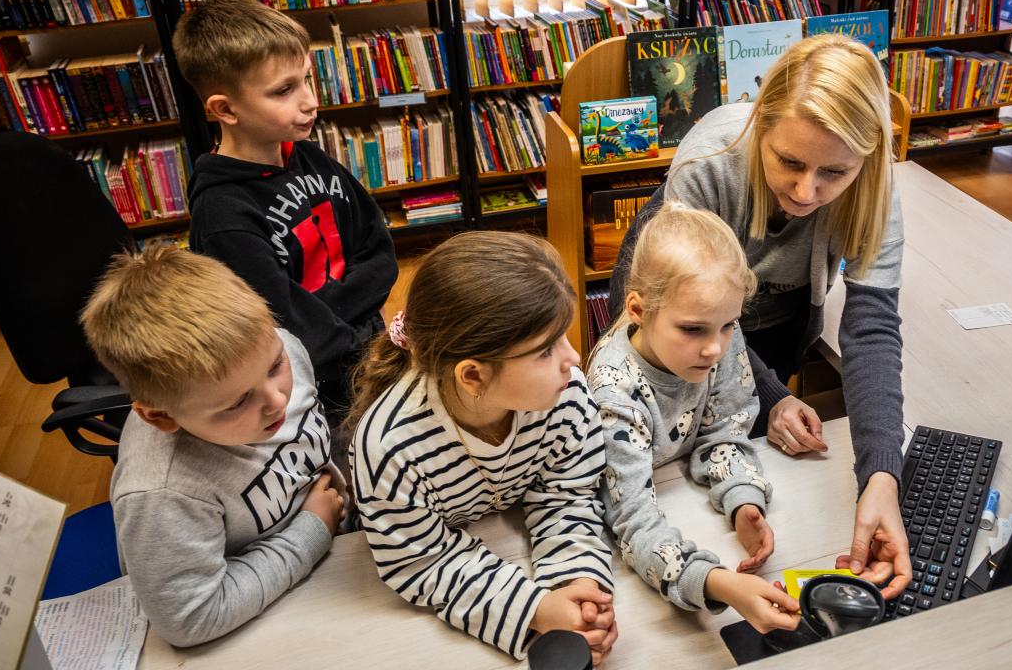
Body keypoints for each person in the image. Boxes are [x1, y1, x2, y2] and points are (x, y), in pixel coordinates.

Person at [610, 33, 911, 598]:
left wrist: (880, 474)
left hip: (770, 322)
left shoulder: (875, 186)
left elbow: (871, 327)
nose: (805, 190)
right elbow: (690, 318)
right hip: (684, 307)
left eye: (834, 174)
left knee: (732, 445)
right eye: (790, 162)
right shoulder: (712, 159)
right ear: (761, 128)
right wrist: (772, 398)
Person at [348, 232, 618, 662]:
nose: (574, 358)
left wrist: (576, 583)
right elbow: (422, 563)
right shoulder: (389, 448)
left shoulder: (565, 396)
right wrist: (533, 609)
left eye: (564, 337)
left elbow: (567, 495)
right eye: (546, 350)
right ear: (472, 376)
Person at [81, 243, 347, 647]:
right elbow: (190, 619)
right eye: (238, 402)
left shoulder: (274, 348)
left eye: (275, 366)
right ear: (162, 417)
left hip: (332, 548)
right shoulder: (162, 492)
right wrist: (312, 532)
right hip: (266, 607)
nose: (277, 399)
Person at [172, 0, 397, 442]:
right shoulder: (223, 218)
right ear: (226, 110)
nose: (310, 102)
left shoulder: (307, 156)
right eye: (283, 91)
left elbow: (379, 249)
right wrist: (357, 335)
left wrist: (365, 336)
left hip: (369, 351)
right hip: (313, 392)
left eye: (307, 81)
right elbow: (282, 324)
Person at [589, 203, 801, 633]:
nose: (715, 349)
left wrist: (742, 498)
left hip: (680, 495)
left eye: (728, 325)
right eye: (692, 330)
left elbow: (726, 427)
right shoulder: (613, 391)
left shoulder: (716, 329)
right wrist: (712, 582)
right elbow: (630, 516)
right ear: (637, 310)